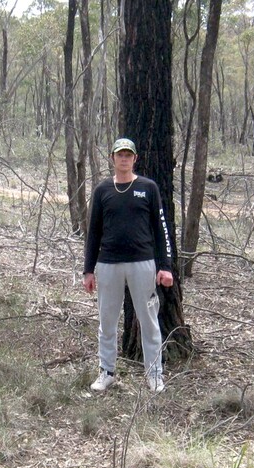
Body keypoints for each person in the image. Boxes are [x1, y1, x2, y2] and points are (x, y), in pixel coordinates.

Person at [83, 137, 174, 393]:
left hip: (142, 263)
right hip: (108, 264)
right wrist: (88, 270)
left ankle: (154, 374)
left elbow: (161, 230)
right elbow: (93, 232)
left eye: (128, 155)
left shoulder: (148, 188)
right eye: (119, 155)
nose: (124, 159)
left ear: (135, 159)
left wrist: (165, 266)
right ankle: (107, 372)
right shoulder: (102, 190)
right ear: (112, 158)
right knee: (107, 321)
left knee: (149, 321)